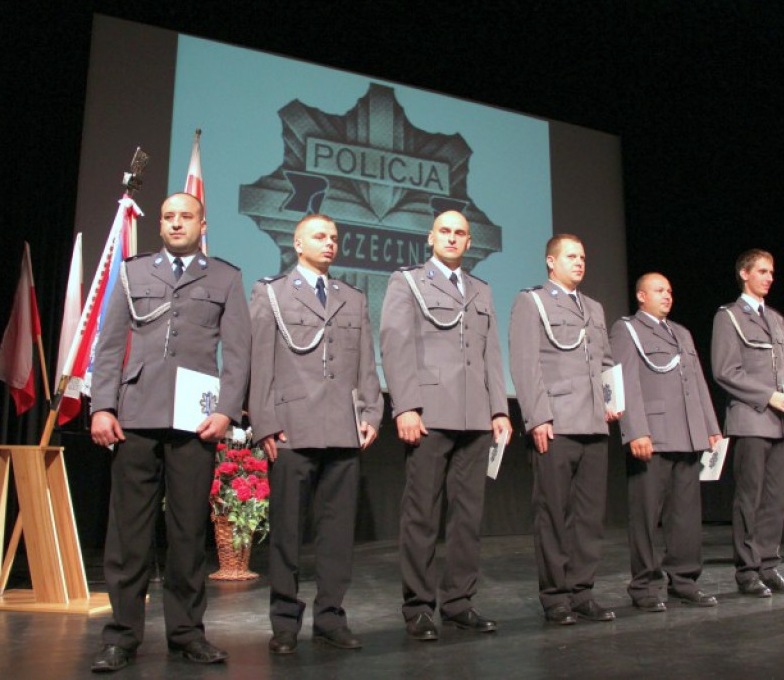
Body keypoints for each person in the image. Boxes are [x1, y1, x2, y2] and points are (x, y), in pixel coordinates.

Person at [89, 192, 250, 672]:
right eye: (168, 217)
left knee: (186, 533)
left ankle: (186, 633)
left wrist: (227, 411)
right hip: (136, 416)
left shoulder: (225, 276)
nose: (176, 223)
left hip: (194, 423)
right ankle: (121, 637)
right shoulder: (134, 271)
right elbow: (111, 340)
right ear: (159, 224)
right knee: (129, 535)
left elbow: (239, 353)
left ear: (203, 222)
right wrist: (102, 407)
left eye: (186, 216)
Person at [247, 214, 384, 654]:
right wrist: (265, 421)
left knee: (338, 533)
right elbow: (259, 362)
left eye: (334, 238)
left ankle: (330, 618)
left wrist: (372, 412)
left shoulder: (352, 297)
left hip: (342, 428)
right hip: (292, 428)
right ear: (297, 242)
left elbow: (366, 363)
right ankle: (284, 622)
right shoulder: (271, 292)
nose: (330, 244)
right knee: (288, 533)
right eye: (320, 237)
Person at [380, 210, 511, 641]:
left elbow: (491, 352)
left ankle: (459, 602)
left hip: (475, 416)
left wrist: (499, 410)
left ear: (470, 242)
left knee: (467, 517)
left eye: (460, 234)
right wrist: (406, 407)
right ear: (430, 237)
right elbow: (396, 345)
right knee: (421, 515)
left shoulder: (481, 290)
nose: (452, 239)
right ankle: (418, 607)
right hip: (429, 414)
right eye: (445, 232)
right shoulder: (409, 281)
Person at [508, 234, 621, 626]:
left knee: (589, 516)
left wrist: (613, 402)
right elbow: (525, 363)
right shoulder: (533, 300)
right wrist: (537, 416)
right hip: (555, 422)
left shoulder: (593, 307)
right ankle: (555, 597)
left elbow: (606, 362)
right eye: (571, 256)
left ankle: (582, 591)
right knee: (553, 514)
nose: (579, 262)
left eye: (583, 257)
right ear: (550, 262)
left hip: (593, 423)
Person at [611, 273, 722, 612]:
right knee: (646, 515)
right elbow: (624, 380)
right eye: (659, 291)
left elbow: (698, 383)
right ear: (641, 295)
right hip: (652, 436)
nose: (667, 296)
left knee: (686, 515)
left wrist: (710, 426)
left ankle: (684, 581)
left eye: (670, 291)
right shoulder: (627, 329)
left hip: (687, 435)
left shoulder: (682, 333)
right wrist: (635, 430)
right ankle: (644, 586)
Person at [711, 249, 784, 598]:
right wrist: (768, 396)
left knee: (775, 499)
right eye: (762, 271)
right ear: (744, 274)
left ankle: (769, 566)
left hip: (781, 423)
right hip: (751, 419)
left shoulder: (776, 318)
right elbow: (725, 370)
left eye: (772, 272)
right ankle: (748, 571)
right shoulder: (729, 316)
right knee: (749, 498)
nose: (769, 277)